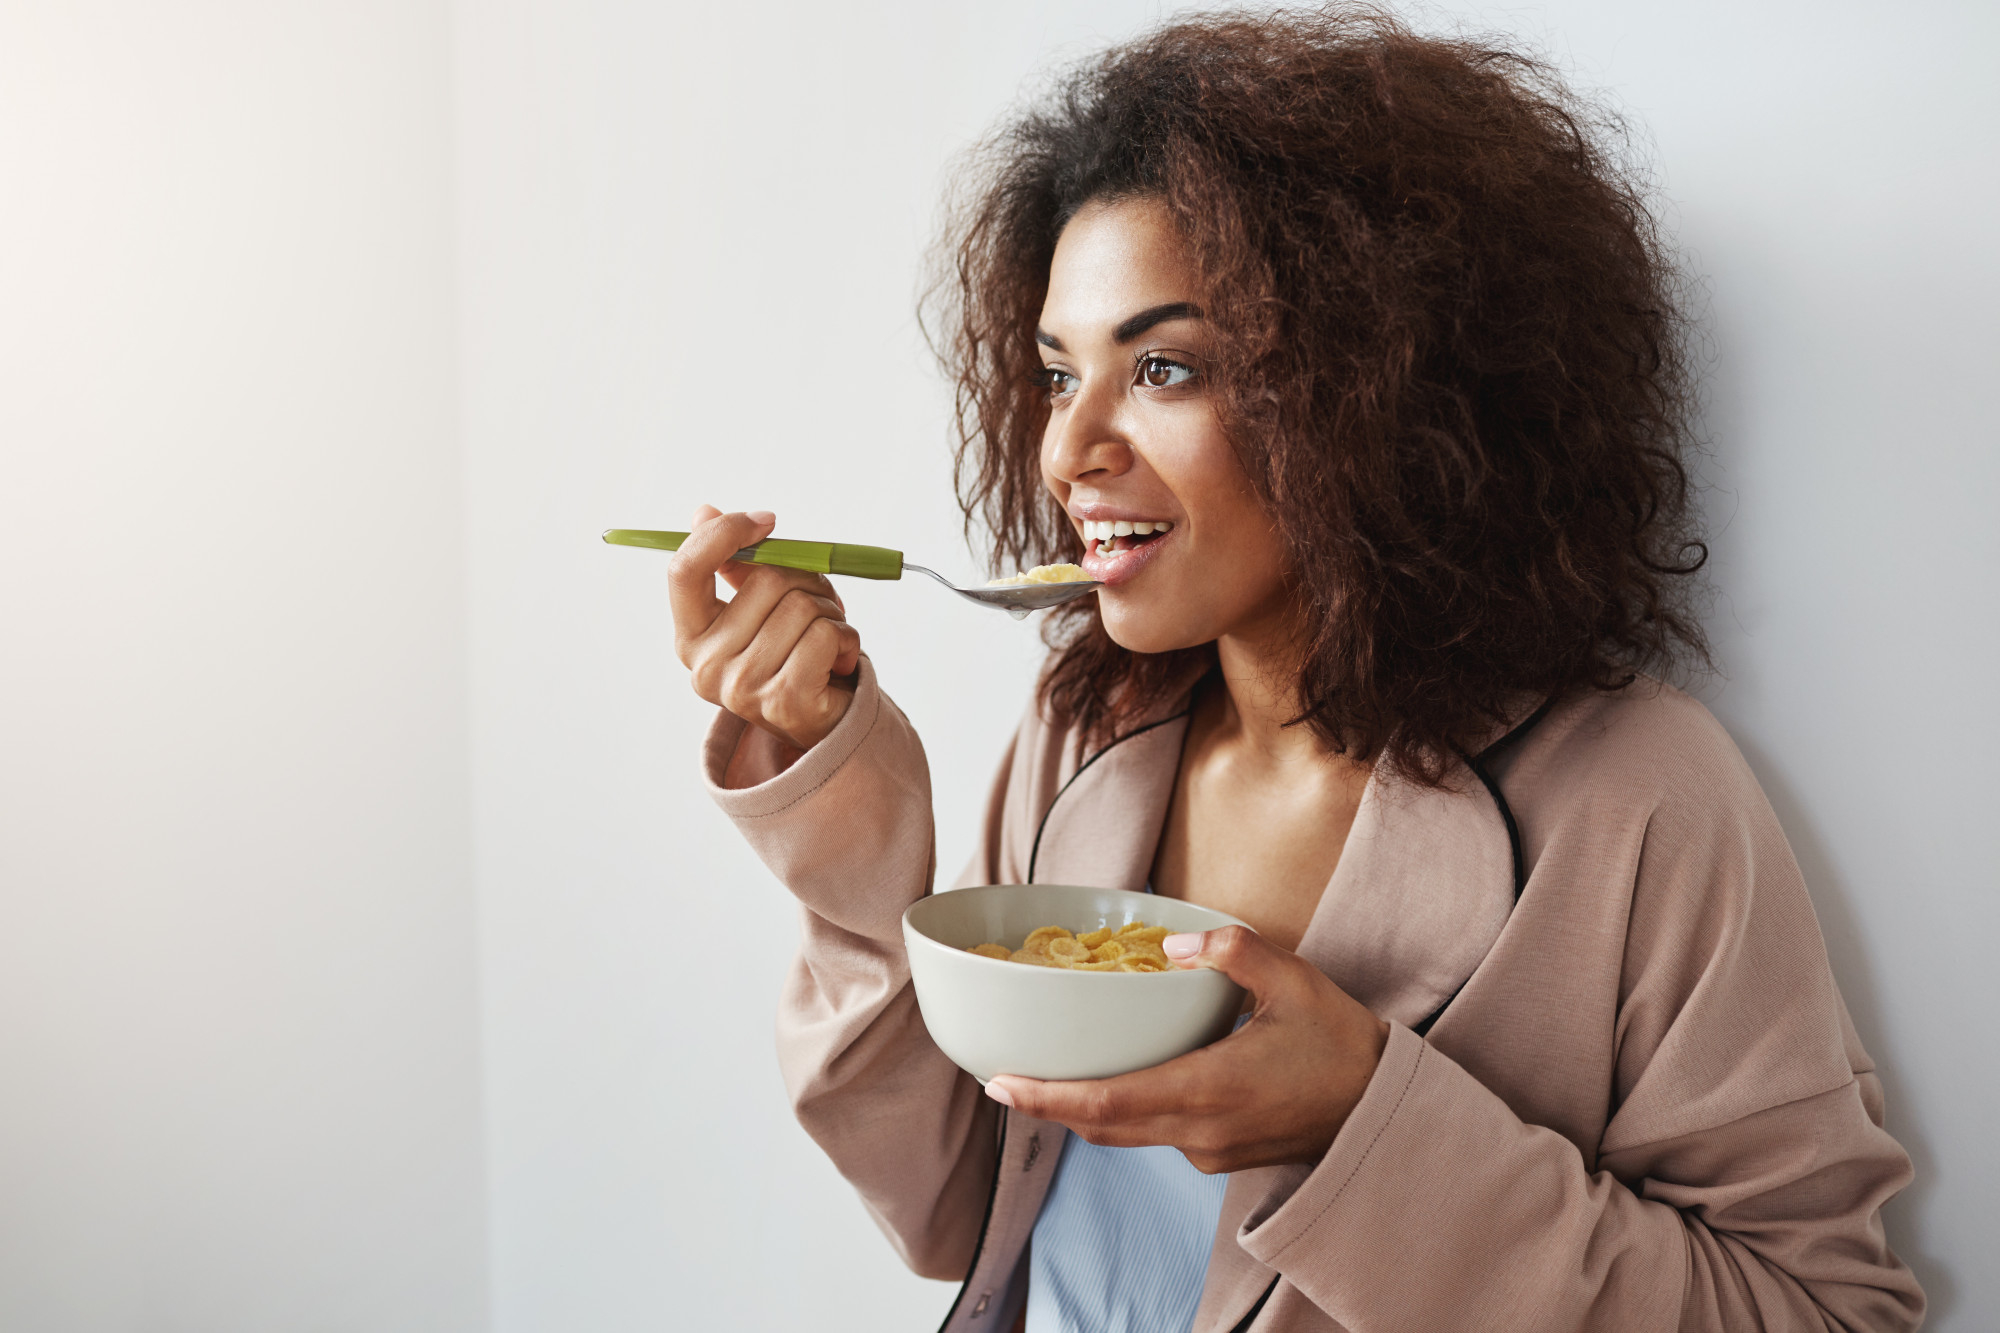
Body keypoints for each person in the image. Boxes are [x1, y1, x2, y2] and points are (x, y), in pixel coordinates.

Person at [662, 9, 1924, 1331]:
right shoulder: (1085, 724)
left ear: (1373, 389)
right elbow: (952, 1209)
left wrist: (1368, 1120)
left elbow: (1827, 1310)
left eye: (1163, 367)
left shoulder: (1638, 802)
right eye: (1055, 373)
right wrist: (847, 817)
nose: (1068, 450)